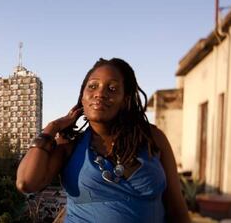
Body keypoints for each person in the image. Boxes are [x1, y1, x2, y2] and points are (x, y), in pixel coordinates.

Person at [16, 58, 190, 223]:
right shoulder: (70, 146)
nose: (100, 93)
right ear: (82, 97)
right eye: (92, 86)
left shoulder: (151, 138)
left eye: (112, 89)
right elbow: (26, 182)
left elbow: (176, 207)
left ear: (125, 100)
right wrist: (51, 128)